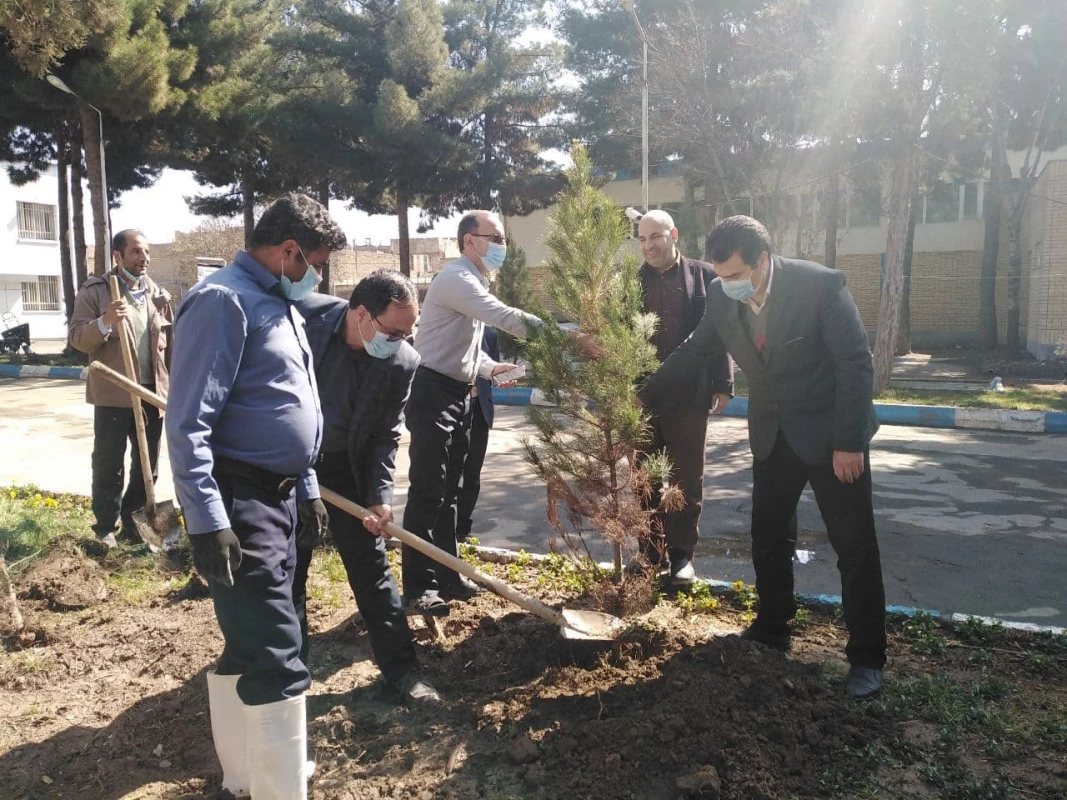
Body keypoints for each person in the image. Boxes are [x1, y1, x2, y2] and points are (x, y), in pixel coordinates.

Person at [637, 215, 887, 699]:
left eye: (734, 275)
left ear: (763, 260)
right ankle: (773, 628)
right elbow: (694, 351)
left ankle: (867, 658)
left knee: (854, 547)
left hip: (833, 437)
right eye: (719, 274)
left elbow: (855, 364)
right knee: (768, 535)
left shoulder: (819, 286)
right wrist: (642, 393)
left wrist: (849, 442)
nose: (725, 284)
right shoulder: (721, 296)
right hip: (773, 437)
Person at [166, 194, 346, 798]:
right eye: (316, 262)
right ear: (289, 250)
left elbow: (289, 403)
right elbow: (187, 421)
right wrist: (206, 520)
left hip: (284, 497)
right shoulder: (222, 302)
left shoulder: (277, 300)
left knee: (251, 642)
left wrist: (310, 489)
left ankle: (245, 777)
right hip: (241, 502)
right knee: (277, 652)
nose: (319, 276)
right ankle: (280, 789)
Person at [402, 209, 597, 616]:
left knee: (452, 493)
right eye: (496, 238)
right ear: (469, 241)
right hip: (432, 395)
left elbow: (465, 350)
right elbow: (505, 318)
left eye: (504, 239)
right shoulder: (457, 278)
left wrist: (490, 368)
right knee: (428, 492)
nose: (503, 247)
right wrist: (570, 337)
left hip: (459, 392)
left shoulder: (472, 279)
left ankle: (449, 575)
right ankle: (419, 587)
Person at [293, 271, 439, 706]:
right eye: (394, 331)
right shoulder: (303, 320)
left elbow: (385, 434)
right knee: (289, 568)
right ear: (361, 314)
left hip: (345, 471)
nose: (400, 341)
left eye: (407, 332)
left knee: (372, 569)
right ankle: (288, 672)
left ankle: (401, 671)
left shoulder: (402, 362)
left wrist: (379, 497)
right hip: (291, 463)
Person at [635, 210, 733, 585]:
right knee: (644, 480)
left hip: (689, 397)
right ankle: (649, 554)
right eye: (642, 239)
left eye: (655, 236)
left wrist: (722, 382)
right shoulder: (632, 282)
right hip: (643, 400)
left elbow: (719, 331)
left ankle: (680, 558)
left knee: (686, 480)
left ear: (673, 234)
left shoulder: (705, 276)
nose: (648, 245)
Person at [70, 229, 173, 549]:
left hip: (151, 393)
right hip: (114, 393)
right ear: (118, 256)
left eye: (146, 252)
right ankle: (105, 527)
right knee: (108, 464)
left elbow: (171, 348)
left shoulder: (159, 295)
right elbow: (77, 338)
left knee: (148, 467)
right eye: (136, 252)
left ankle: (135, 522)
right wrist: (104, 322)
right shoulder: (97, 292)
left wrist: (174, 386)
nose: (144, 258)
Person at [456, 326, 499, 543]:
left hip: (480, 411)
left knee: (472, 472)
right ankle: (445, 525)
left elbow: (493, 374)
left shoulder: (490, 335)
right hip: (454, 407)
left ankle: (462, 527)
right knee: (451, 470)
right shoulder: (452, 327)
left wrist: (502, 378)